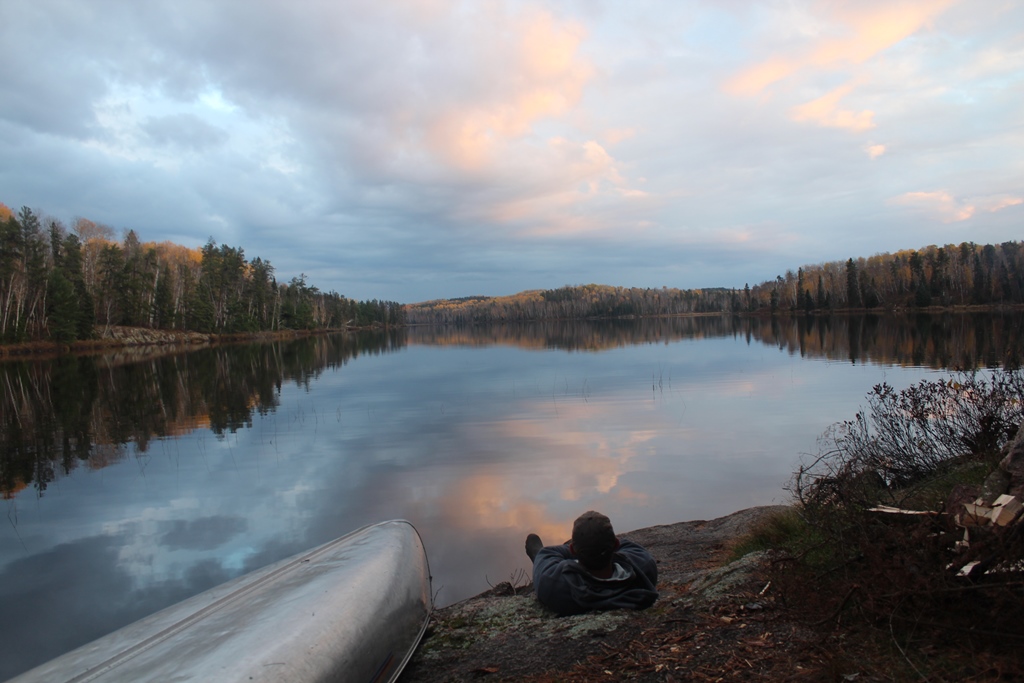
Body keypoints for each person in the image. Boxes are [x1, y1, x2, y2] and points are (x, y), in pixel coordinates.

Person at [525, 510, 658, 616]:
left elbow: (548, 554)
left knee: (540, 557)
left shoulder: (554, 584)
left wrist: (583, 548)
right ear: (615, 545)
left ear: (572, 550)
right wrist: (599, 545)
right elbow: (626, 545)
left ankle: (580, 554)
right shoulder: (643, 567)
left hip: (573, 570)